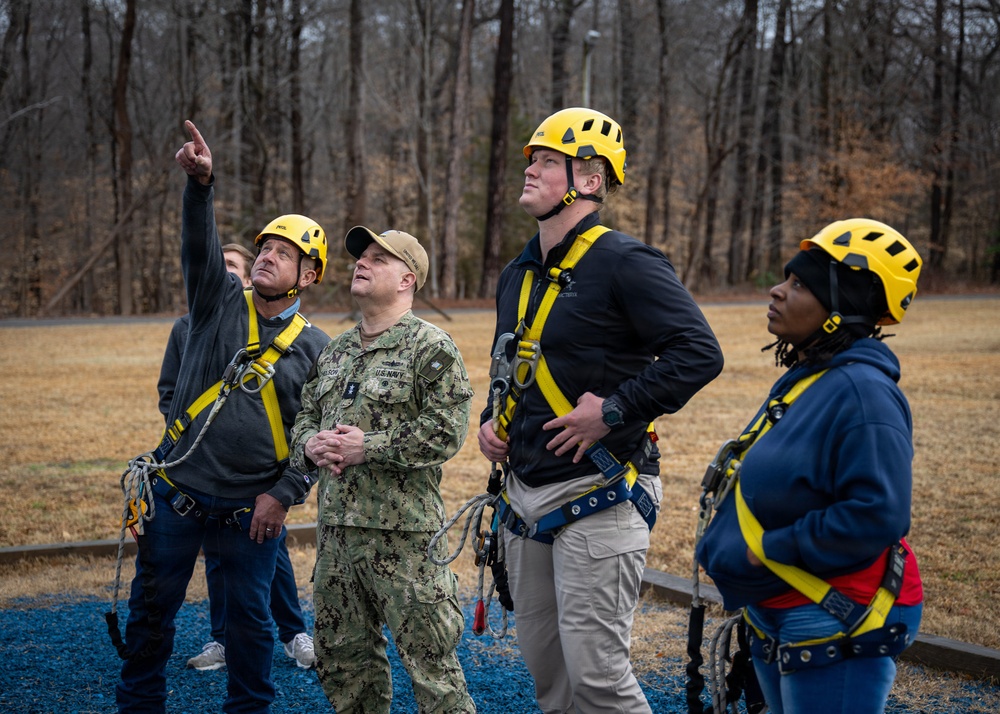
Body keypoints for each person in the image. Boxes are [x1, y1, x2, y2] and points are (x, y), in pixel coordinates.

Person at [477, 107, 724, 712]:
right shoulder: (519, 271)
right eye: (531, 158)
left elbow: (699, 353)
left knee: (598, 680)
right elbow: (512, 360)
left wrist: (613, 412)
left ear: (589, 179)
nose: (530, 170)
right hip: (525, 497)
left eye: (548, 162)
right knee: (550, 677)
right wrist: (493, 418)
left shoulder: (627, 262)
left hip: (601, 492)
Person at [115, 120, 330, 714]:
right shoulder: (214, 305)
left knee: (250, 628)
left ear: (308, 276)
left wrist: (283, 495)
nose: (267, 257)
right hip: (177, 494)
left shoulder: (319, 350)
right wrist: (201, 188)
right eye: (264, 248)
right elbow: (198, 246)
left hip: (251, 510)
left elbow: (318, 440)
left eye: (284, 254)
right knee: (151, 618)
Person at [695, 218, 925, 713]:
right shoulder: (809, 379)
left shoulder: (865, 394)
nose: (777, 291)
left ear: (844, 309)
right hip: (783, 608)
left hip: (834, 612)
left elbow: (878, 513)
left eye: (800, 284)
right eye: (787, 278)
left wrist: (775, 548)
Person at [290, 226, 476, 714]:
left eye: (378, 258)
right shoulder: (336, 350)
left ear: (406, 279)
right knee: (345, 667)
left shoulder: (430, 347)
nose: (361, 263)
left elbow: (447, 430)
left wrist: (366, 447)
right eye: (360, 257)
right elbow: (306, 414)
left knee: (432, 668)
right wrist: (309, 443)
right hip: (336, 537)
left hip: (404, 538)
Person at [155, 243, 316, 672]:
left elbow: (309, 426)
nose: (222, 274)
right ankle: (222, 638)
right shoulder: (191, 327)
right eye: (218, 266)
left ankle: (291, 631)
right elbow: (170, 393)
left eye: (232, 267)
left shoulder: (305, 341)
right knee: (219, 562)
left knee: (268, 556)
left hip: (260, 486)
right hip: (197, 477)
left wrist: (282, 487)